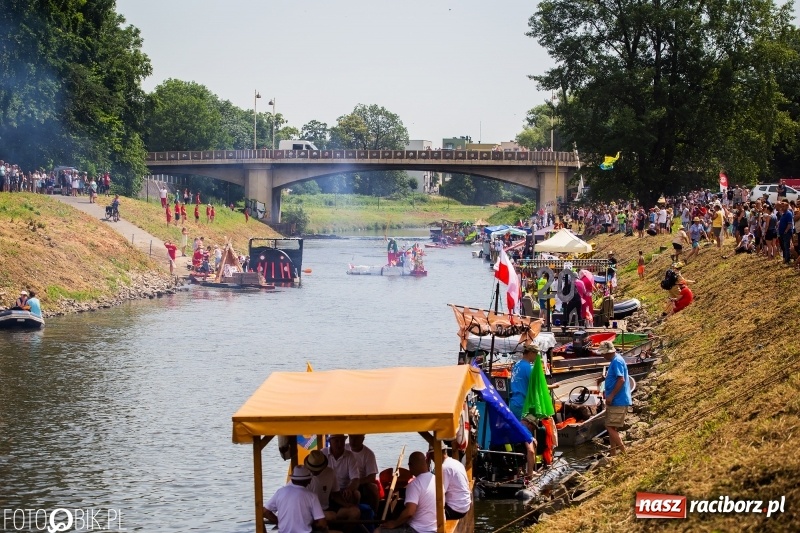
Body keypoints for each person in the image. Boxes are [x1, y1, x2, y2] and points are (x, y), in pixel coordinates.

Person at [381, 452, 437, 532]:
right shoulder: (436, 479)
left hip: (418, 530)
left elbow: (410, 512)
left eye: (409, 464)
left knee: (378, 531)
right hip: (434, 528)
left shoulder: (414, 485)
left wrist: (394, 523)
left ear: (412, 465)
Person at [264, 465, 327, 532]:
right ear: (309, 480)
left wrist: (278, 522)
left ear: (292, 479)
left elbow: (265, 512)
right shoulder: (312, 496)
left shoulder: (280, 492)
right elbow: (322, 523)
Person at [304, 450, 361, 522]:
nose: (314, 471)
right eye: (312, 469)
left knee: (355, 512)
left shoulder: (330, 472)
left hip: (327, 507)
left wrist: (346, 504)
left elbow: (335, 493)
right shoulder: (302, 477)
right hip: (310, 512)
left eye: (317, 469)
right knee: (331, 516)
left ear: (323, 467)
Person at [597, 341, 631, 456]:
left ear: (608, 352)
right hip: (616, 400)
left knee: (608, 426)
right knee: (612, 426)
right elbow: (616, 377)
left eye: (603, 354)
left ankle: (624, 452)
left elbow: (621, 379)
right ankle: (613, 453)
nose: (603, 356)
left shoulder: (616, 361)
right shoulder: (615, 360)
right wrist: (605, 379)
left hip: (618, 400)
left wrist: (611, 396)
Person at [322, 434, 360, 505]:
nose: (339, 444)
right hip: (327, 489)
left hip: (344, 489)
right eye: (336, 441)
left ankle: (353, 512)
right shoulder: (322, 454)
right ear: (330, 441)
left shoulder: (350, 456)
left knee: (356, 494)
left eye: (342, 441)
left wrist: (349, 489)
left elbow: (355, 479)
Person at [346, 434, 380, 512]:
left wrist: (356, 483)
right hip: (343, 481)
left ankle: (374, 515)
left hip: (361, 484)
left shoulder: (368, 454)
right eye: (351, 437)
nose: (353, 441)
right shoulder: (343, 449)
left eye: (356, 438)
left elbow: (372, 477)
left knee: (373, 487)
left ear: (363, 439)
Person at [440, 446, 471, 519]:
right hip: (465, 506)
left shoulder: (444, 467)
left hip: (455, 510)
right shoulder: (456, 462)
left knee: (425, 513)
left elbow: (440, 493)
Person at [509, 345, 536, 420]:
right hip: (522, 404)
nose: (536, 357)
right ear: (531, 353)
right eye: (536, 354)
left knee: (514, 429)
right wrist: (552, 386)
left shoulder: (516, 364)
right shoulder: (528, 367)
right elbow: (536, 385)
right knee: (523, 429)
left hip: (513, 402)